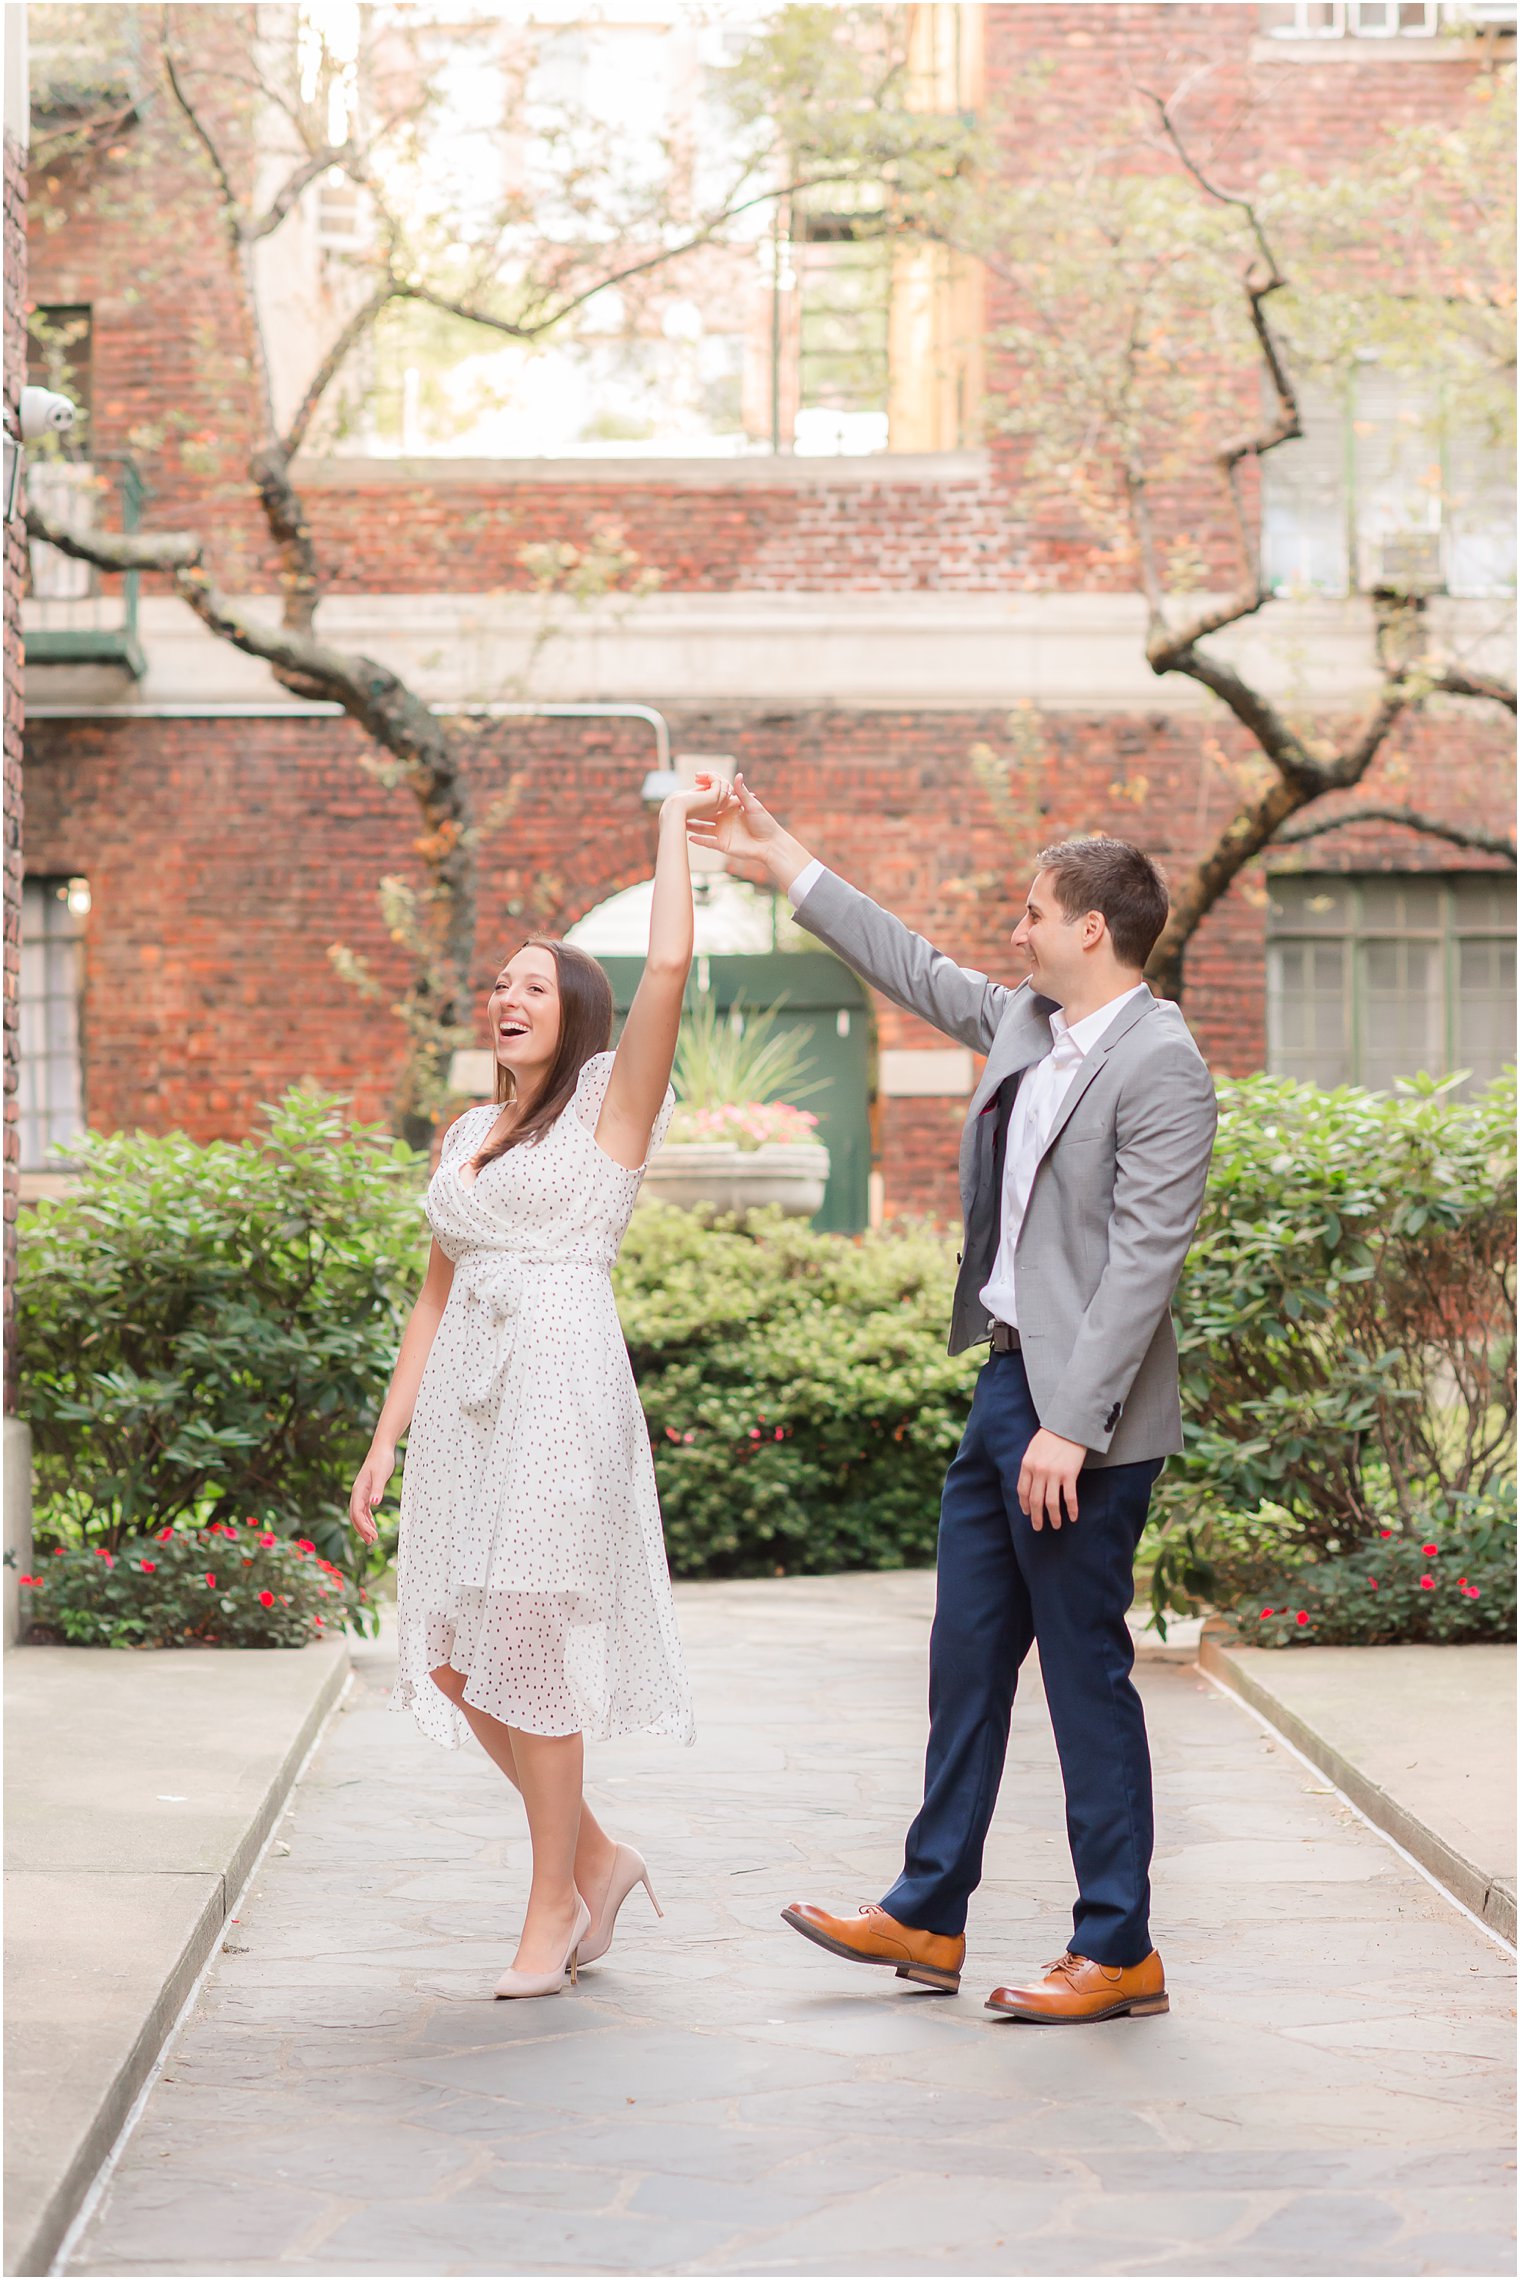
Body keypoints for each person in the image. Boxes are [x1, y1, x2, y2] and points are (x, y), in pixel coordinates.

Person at [689, 781, 1217, 2025]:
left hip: (1077, 1426)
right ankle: (927, 1912)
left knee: (1083, 1673)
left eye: (1033, 914)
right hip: (1002, 1389)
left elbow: (1145, 1261)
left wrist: (1069, 1428)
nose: (1015, 932)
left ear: (1094, 929)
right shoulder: (1031, 1027)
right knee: (964, 1659)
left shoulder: (1161, 1061)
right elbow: (911, 965)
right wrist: (786, 861)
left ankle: (1117, 1946)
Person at [349, 773, 732, 2000]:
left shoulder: (611, 1111)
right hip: (470, 1400)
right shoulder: (465, 1135)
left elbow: (667, 971)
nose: (508, 996)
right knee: (457, 1655)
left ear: (573, 1014)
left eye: (534, 984)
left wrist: (673, 824)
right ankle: (600, 1857)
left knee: (526, 1639)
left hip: (561, 1382)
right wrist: (384, 1437)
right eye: (499, 982)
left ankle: (550, 1902)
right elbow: (433, 1294)